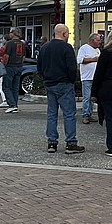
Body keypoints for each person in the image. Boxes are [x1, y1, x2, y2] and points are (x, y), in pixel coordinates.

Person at [37, 23, 85, 154]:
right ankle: (71, 143)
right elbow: (72, 67)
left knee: (52, 114)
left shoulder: (44, 47)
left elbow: (39, 67)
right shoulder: (67, 48)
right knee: (69, 114)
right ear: (64, 34)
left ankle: (52, 142)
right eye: (68, 34)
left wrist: (45, 78)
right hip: (64, 83)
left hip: (50, 84)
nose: (68, 36)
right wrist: (71, 80)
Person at [77, 33, 101, 124]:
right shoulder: (84, 48)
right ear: (92, 40)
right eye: (98, 40)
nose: (100, 42)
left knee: (93, 97)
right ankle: (85, 115)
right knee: (87, 97)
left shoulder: (98, 50)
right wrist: (93, 59)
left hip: (96, 77)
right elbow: (80, 60)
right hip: (87, 77)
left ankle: (90, 114)